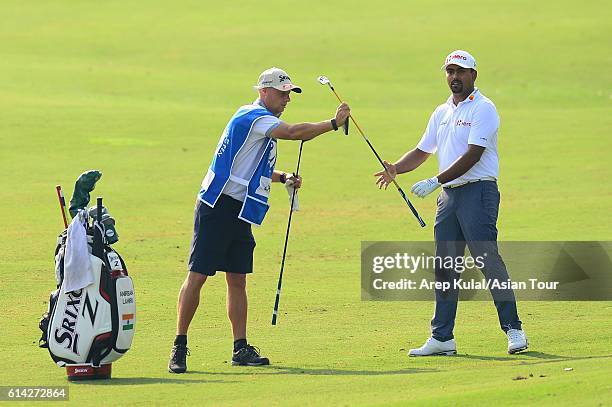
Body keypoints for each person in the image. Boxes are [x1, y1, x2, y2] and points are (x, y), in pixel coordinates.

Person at [168, 67, 350, 373]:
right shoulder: (253, 117)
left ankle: (240, 348)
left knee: (237, 278)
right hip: (217, 205)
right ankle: (179, 346)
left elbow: (251, 165)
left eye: (289, 94)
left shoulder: (261, 121)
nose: (286, 99)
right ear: (263, 92)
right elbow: (294, 133)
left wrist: (282, 177)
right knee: (198, 275)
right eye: (282, 93)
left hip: (239, 209)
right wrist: (333, 123)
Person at [374, 50, 528, 356]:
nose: (454, 77)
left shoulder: (483, 108)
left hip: (478, 192)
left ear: (473, 74)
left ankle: (514, 329)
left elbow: (474, 154)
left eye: (460, 71)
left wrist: (435, 181)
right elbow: (422, 150)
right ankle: (442, 337)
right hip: (450, 198)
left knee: (487, 260)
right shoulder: (441, 112)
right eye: (449, 72)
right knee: (445, 267)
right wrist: (396, 169)